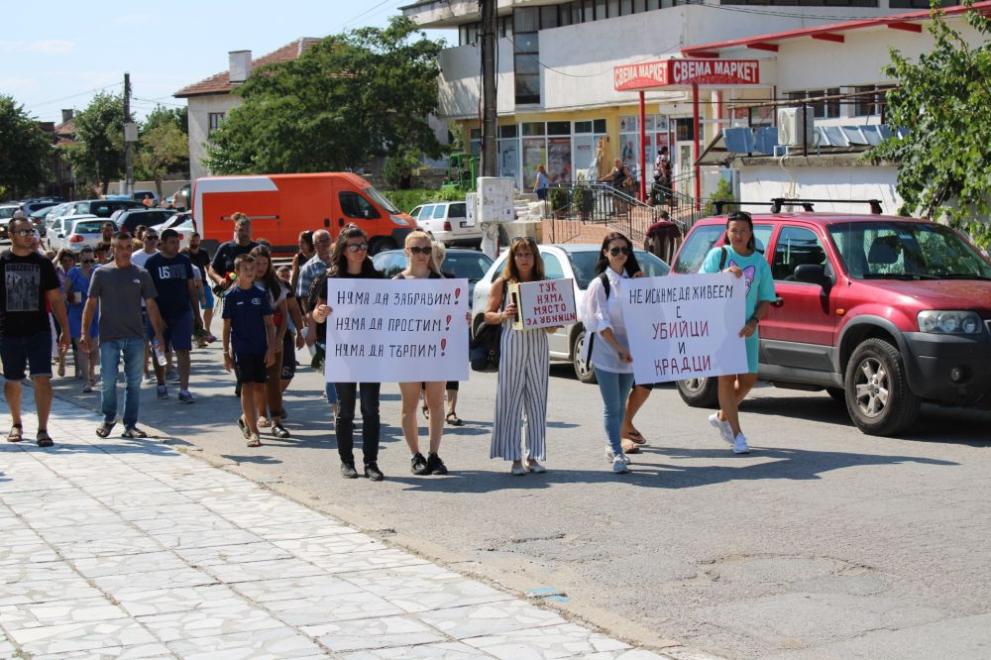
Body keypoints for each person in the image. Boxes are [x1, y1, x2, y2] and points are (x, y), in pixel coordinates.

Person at [310, 227, 385, 480]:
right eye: (355, 246)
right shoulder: (331, 279)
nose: (361, 250)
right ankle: (347, 461)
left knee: (371, 409)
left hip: (371, 352)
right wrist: (320, 315)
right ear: (343, 250)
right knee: (345, 410)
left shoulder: (376, 277)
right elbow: (317, 313)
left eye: (364, 245)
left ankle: (371, 463)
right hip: (342, 352)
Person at [700, 211, 775, 455]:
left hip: (747, 330)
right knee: (725, 378)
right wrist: (723, 275)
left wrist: (754, 321)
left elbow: (766, 299)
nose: (739, 235)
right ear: (727, 232)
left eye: (743, 230)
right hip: (721, 330)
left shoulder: (760, 263)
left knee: (748, 379)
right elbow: (699, 287)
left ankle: (723, 415)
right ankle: (737, 434)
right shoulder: (719, 255)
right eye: (734, 230)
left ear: (751, 233)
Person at [81, 232, 165, 439]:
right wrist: (85, 333)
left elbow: (152, 305)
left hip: (136, 335)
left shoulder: (142, 273)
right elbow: (90, 304)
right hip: (109, 336)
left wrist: (159, 334)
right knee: (108, 381)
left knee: (133, 382)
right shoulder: (101, 273)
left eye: (129, 247)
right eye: (121, 247)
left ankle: (130, 425)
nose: (125, 251)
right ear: (113, 249)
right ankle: (109, 418)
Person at [484, 237, 554, 475]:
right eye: (520, 255)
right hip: (512, 340)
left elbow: (552, 326)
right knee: (510, 398)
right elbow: (487, 315)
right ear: (512, 258)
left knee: (537, 399)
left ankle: (533, 455)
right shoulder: (503, 284)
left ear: (535, 258)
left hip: (538, 343)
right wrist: (504, 314)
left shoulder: (544, 284)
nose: (524, 259)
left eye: (528, 254)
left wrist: (553, 319)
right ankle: (514, 456)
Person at [1, 214, 71, 447]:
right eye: (23, 232)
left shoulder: (42, 264)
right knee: (13, 381)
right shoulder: (2, 262)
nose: (29, 236)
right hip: (8, 332)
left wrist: (66, 330)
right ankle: (17, 423)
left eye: (32, 232)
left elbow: (56, 298)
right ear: (10, 235)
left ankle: (43, 429)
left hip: (39, 331)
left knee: (42, 378)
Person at [582, 232, 642, 474]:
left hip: (630, 353)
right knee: (611, 404)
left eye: (624, 250)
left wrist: (644, 286)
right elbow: (601, 321)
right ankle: (616, 451)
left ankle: (612, 444)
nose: (620, 255)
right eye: (615, 250)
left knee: (621, 406)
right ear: (605, 253)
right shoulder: (600, 284)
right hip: (608, 352)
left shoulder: (633, 280)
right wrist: (619, 349)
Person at [395, 231, 448, 476]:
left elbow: (453, 314)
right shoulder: (397, 282)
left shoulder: (441, 281)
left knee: (437, 403)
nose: (422, 255)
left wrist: (463, 317)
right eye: (416, 249)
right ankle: (415, 454)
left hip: (435, 351)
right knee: (410, 405)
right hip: (407, 352)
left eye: (426, 250)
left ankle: (434, 454)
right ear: (407, 251)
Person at [222, 254, 276, 448]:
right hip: (241, 348)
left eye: (252, 269)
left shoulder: (260, 294)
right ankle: (254, 433)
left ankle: (246, 418)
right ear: (237, 272)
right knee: (247, 385)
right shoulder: (230, 296)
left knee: (260, 387)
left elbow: (269, 324)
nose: (250, 272)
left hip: (260, 348)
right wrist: (225, 353)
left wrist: (271, 348)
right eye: (245, 269)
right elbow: (227, 327)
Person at [144, 228, 201, 403]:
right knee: (160, 350)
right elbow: (148, 292)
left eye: (177, 242)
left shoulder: (184, 261)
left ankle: (184, 389)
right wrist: (156, 317)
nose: (176, 246)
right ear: (163, 244)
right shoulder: (152, 263)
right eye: (172, 242)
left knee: (183, 349)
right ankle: (161, 383)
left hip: (182, 312)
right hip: (158, 314)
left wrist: (196, 314)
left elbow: (191, 288)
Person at [250, 245, 291, 438]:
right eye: (257, 263)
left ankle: (276, 420)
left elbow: (284, 315)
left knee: (273, 380)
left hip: (274, 339)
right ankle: (260, 414)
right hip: (252, 340)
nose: (261, 267)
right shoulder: (244, 284)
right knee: (257, 381)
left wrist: (279, 339)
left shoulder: (276, 285)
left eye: (264, 263)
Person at [65, 247, 100, 393]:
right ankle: (86, 381)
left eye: (91, 260)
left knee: (94, 348)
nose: (89, 263)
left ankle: (92, 371)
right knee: (82, 347)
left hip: (95, 312)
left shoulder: (97, 271)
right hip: (77, 313)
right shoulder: (73, 272)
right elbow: (64, 292)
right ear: (80, 259)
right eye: (86, 260)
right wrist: (72, 298)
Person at [208, 213, 258, 292]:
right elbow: (212, 270)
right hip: (230, 293)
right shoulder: (225, 247)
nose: (245, 233)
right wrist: (220, 280)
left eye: (247, 230)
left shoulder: (258, 249)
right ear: (235, 230)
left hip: (254, 292)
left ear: (251, 230)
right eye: (241, 230)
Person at [182, 232, 215, 344]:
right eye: (192, 240)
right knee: (193, 312)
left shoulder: (203, 253)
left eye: (196, 240)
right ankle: (198, 334)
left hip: (203, 283)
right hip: (189, 286)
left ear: (199, 241)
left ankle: (208, 329)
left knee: (209, 305)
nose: (194, 243)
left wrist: (216, 280)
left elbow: (208, 268)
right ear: (188, 241)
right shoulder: (183, 253)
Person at [295, 229, 333, 311]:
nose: (326, 243)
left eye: (327, 239)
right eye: (321, 241)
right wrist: (308, 315)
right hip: (319, 314)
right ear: (315, 245)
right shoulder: (307, 268)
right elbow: (303, 296)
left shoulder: (341, 262)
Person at [53, 249, 76, 378]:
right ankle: (61, 362)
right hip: (60, 307)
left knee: (75, 338)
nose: (67, 263)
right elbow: (50, 266)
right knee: (62, 335)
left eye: (70, 261)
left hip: (74, 306)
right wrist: (57, 256)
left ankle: (78, 367)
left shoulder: (76, 272)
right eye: (64, 261)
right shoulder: (57, 271)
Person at [290, 230, 315, 300]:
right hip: (303, 295)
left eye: (302, 242)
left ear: (310, 243)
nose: (300, 245)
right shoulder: (298, 258)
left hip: (318, 294)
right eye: (299, 242)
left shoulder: (320, 256)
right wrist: (292, 294)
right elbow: (294, 278)